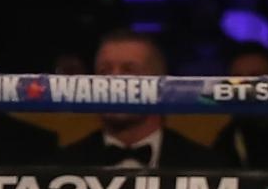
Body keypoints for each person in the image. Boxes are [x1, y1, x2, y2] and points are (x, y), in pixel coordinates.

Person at [56, 31, 223, 170]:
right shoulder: (62, 165)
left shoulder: (205, 166)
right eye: (104, 71)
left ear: (161, 83)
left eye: (129, 70)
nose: (115, 80)